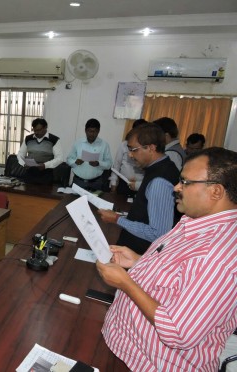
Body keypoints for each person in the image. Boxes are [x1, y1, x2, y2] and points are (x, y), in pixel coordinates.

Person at [97, 147, 237, 372]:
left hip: (153, 365)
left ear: (216, 192)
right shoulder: (194, 222)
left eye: (185, 182)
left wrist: (126, 283)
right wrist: (138, 261)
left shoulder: (218, 256)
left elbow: (177, 331)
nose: (176, 187)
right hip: (126, 349)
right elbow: (182, 278)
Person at [98, 123, 180, 254]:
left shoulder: (160, 181)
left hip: (141, 255)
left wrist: (116, 219)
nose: (130, 155)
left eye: (133, 149)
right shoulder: (159, 168)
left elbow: (158, 233)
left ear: (151, 148)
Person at [67, 118, 112, 191]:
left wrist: (98, 163)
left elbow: (109, 164)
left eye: (95, 131)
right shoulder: (78, 143)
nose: (92, 134)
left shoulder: (104, 145)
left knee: (94, 202)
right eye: (89, 131)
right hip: (78, 181)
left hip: (96, 183)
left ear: (98, 131)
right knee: (75, 201)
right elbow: (69, 159)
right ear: (85, 130)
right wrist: (75, 162)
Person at [17, 118, 64, 185]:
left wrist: (45, 165)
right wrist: (23, 163)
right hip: (30, 174)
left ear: (45, 128)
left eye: (39, 130)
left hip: (46, 175)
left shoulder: (54, 140)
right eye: (34, 130)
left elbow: (60, 158)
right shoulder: (28, 139)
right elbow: (21, 153)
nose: (36, 133)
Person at [109, 118, 146, 195]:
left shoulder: (147, 148)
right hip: (124, 183)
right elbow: (117, 165)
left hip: (141, 185)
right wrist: (113, 183)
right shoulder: (124, 144)